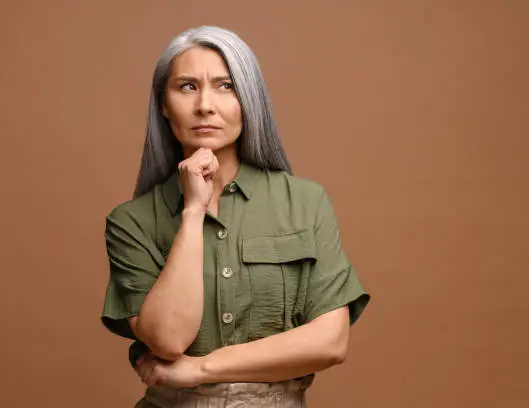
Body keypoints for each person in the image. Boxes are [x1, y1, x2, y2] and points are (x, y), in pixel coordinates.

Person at [100, 25, 370, 408]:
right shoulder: (132, 222)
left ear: (249, 99)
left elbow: (330, 341)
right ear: (163, 103)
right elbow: (168, 338)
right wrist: (193, 211)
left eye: (225, 85)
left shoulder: (305, 202)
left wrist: (202, 368)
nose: (205, 105)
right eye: (187, 87)